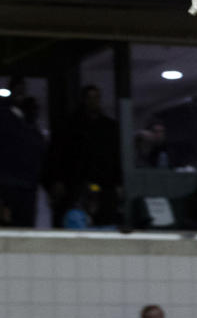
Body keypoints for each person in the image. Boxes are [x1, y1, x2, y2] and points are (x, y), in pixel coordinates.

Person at [44, 85, 122, 227]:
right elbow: (58, 154)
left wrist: (118, 182)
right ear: (84, 100)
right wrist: (58, 179)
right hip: (76, 182)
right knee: (76, 218)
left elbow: (115, 155)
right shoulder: (70, 125)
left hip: (104, 183)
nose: (93, 102)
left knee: (104, 220)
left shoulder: (108, 127)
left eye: (96, 97)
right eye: (90, 98)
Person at [0, 76, 45, 227]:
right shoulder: (5, 115)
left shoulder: (28, 118)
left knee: (25, 224)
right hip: (8, 182)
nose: (21, 93)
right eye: (17, 90)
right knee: (9, 224)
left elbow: (38, 146)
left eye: (22, 90)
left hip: (27, 182)